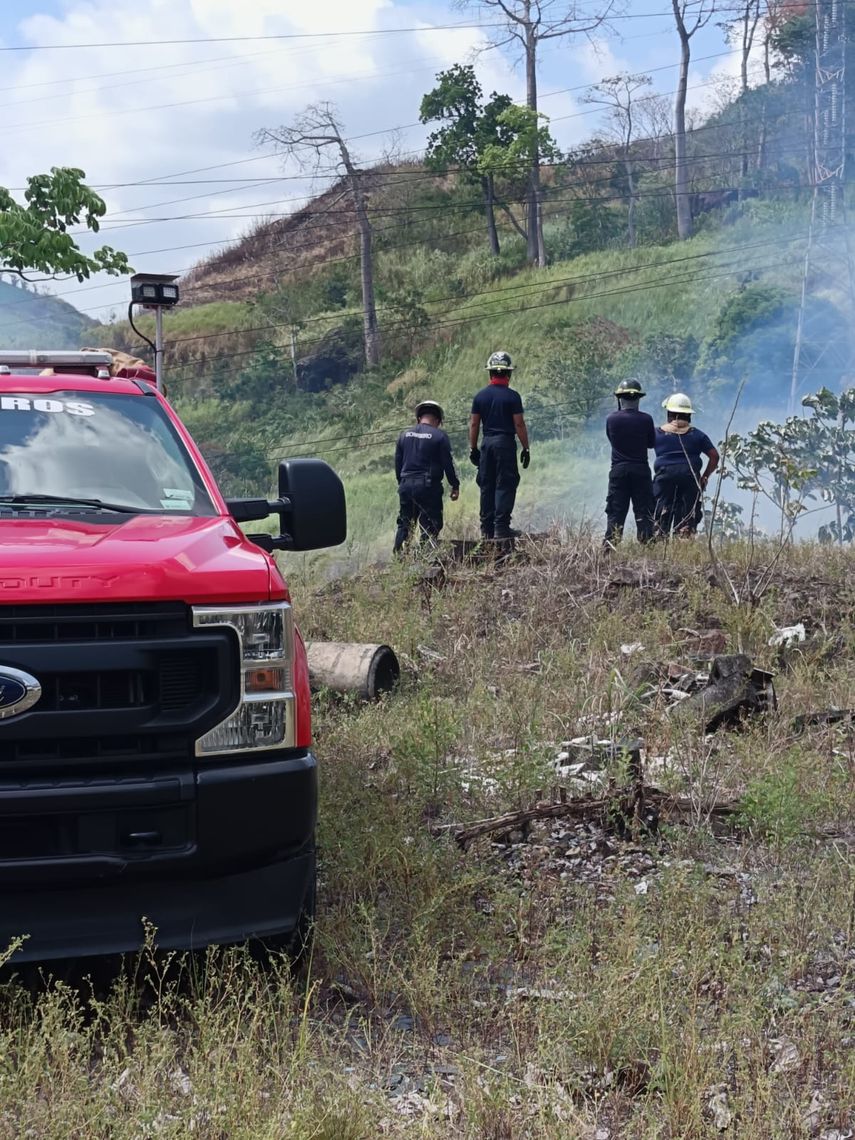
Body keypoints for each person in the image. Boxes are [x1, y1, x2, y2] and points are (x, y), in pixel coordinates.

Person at [469, 350, 530, 542]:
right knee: (505, 483)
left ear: (490, 374)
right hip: (505, 444)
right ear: (508, 374)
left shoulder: (480, 397)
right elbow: (519, 424)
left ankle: (486, 530)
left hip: (487, 444)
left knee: (487, 485)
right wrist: (526, 448)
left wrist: (473, 448)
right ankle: (501, 529)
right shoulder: (513, 397)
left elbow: (474, 424)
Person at [393, 399, 460, 554]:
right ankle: (426, 557)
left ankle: (399, 558)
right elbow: (448, 464)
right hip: (428, 486)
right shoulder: (439, 436)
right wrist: (454, 485)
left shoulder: (403, 436)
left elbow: (398, 464)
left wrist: (402, 483)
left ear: (418, 418)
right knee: (430, 524)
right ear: (438, 420)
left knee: (405, 524)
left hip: (406, 484)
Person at [653, 392, 719, 537]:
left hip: (664, 479)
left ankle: (659, 542)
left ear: (670, 414)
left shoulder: (657, 434)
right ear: (689, 416)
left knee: (660, 517)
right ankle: (683, 544)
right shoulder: (698, 435)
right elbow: (714, 456)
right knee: (687, 520)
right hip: (690, 479)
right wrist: (705, 477)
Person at [604, 378, 656, 547]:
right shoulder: (646, 419)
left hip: (618, 471)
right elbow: (651, 443)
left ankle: (610, 548)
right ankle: (648, 546)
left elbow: (612, 440)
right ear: (638, 399)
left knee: (616, 512)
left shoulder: (611, 419)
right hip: (641, 470)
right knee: (644, 511)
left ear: (620, 399)